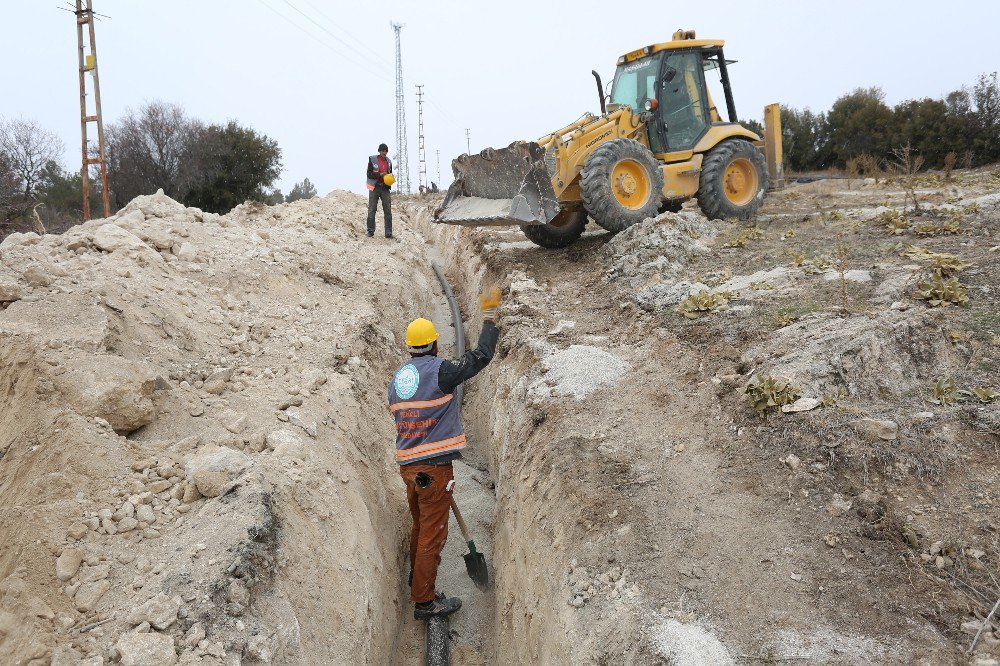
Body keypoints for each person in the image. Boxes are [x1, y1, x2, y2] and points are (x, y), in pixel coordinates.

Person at [388, 287, 502, 620]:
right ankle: (425, 601)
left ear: (410, 348)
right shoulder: (442, 372)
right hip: (434, 472)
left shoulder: (397, 379)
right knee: (432, 536)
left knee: (420, 527)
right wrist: (490, 319)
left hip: (409, 467)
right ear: (436, 344)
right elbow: (480, 356)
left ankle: (416, 578)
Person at [366, 143, 394, 238]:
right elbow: (369, 174)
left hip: (385, 188)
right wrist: (379, 175)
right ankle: (370, 231)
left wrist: (391, 178)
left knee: (388, 211)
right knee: (372, 210)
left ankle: (388, 232)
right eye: (383, 151)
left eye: (386, 151)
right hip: (374, 187)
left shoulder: (389, 162)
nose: (384, 152)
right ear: (379, 151)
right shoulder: (373, 160)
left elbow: (390, 174)